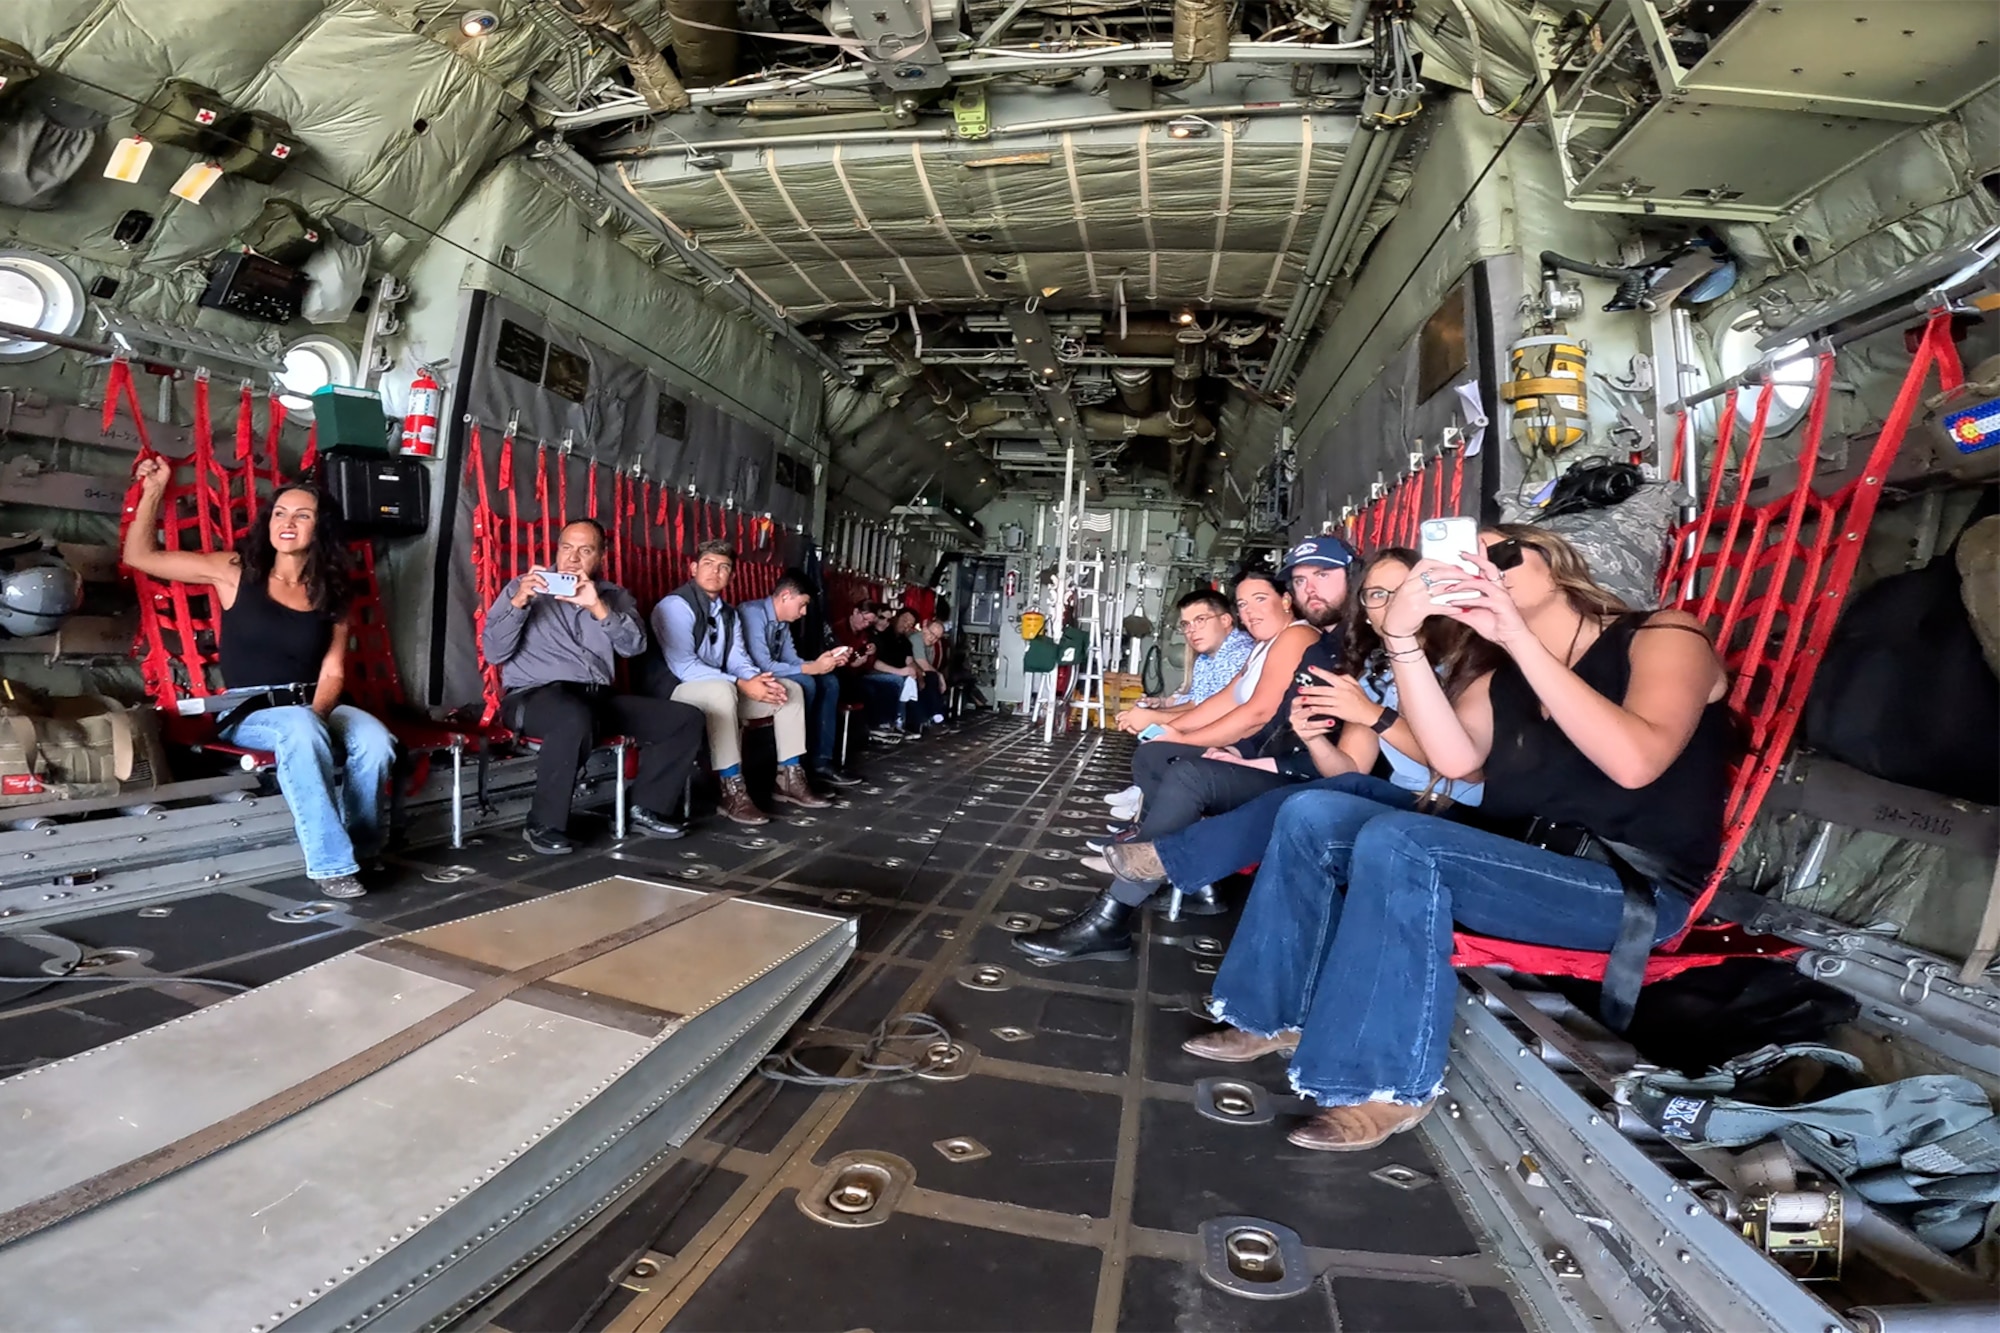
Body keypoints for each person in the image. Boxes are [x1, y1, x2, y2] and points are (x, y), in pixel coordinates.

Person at [1181, 526, 1734, 1152]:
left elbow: (1635, 762)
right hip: (1521, 861)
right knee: (1316, 813)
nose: (1484, 569)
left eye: (1499, 555)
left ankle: (1384, 1083)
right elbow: (1454, 760)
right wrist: (1401, 639)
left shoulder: (1664, 635)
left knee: (1405, 842)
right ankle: (1269, 1013)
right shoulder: (1496, 675)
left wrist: (1519, 639)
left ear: (1554, 562)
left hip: (1628, 890)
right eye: (1462, 563)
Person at [1033, 549, 1492, 961]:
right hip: (1374, 790)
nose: (1387, 606)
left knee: (1285, 799)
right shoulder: (1372, 670)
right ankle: (1136, 887)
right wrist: (1312, 737)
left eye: (1399, 593)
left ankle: (1153, 867)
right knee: (1240, 783)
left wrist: (1370, 717)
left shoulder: (1469, 665)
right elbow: (1348, 769)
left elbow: (1459, 766)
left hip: (1448, 809)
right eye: (1375, 595)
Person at [124, 459, 396, 899]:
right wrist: (154, 490)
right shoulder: (235, 571)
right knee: (301, 730)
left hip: (314, 704)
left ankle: (364, 850)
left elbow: (333, 670)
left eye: (302, 515)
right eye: (280, 513)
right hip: (250, 708)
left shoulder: (333, 591)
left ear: (319, 529)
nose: (288, 522)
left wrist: (317, 714)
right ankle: (331, 864)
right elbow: (139, 557)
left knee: (375, 740)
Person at [482, 519, 705, 856]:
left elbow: (634, 647)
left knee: (686, 718)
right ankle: (543, 823)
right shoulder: (522, 587)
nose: (572, 558)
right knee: (572, 717)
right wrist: (519, 604)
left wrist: (598, 608)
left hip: (596, 697)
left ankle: (645, 807)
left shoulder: (613, 597)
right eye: (567, 548)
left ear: (600, 557)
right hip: (534, 696)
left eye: (585, 550)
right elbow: (495, 652)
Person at [1113, 535, 1353, 841]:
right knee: (1152, 754)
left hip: (1281, 759)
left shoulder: (1296, 636)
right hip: (1251, 748)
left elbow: (1258, 713)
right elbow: (1224, 700)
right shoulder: (1261, 646)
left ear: (1286, 601)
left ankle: (1154, 851)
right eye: (1242, 603)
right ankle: (1153, 838)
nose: (1249, 611)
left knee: (1171, 762)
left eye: (1260, 599)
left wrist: (1183, 738)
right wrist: (1166, 727)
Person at [650, 540, 831, 825]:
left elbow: (739, 659)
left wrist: (756, 679)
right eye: (708, 564)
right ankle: (731, 788)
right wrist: (740, 683)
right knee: (723, 691)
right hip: (675, 690)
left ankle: (789, 777)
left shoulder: (728, 613)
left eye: (724, 567)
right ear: (694, 568)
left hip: (721, 688)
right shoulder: (675, 605)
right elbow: (684, 666)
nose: (715, 572)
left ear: (731, 575)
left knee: (789, 690)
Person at [739, 569, 861, 788]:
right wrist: (811, 668)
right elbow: (762, 666)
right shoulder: (752, 614)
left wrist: (823, 663)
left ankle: (820, 761)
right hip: (753, 679)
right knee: (806, 682)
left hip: (774, 675)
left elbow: (792, 660)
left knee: (829, 681)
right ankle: (794, 761)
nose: (804, 612)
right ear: (785, 596)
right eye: (802, 604)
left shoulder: (782, 623)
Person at [872, 606, 946, 734]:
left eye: (910, 624)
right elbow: (874, 663)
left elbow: (910, 661)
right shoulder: (880, 636)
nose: (906, 625)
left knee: (915, 679)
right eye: (905, 620)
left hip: (898, 672)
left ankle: (922, 721)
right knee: (902, 681)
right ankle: (905, 723)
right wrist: (903, 672)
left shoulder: (904, 641)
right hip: (880, 672)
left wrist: (916, 673)